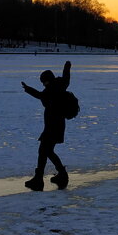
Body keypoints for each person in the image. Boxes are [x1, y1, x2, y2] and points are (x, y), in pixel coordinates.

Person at [21, 61, 72, 190]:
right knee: (45, 151)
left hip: (52, 127)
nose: (43, 84)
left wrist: (27, 89)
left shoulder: (51, 90)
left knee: (45, 150)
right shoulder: (61, 85)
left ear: (47, 80)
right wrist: (66, 67)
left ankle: (47, 178)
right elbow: (66, 77)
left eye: (44, 81)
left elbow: (40, 95)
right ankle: (52, 176)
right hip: (57, 126)